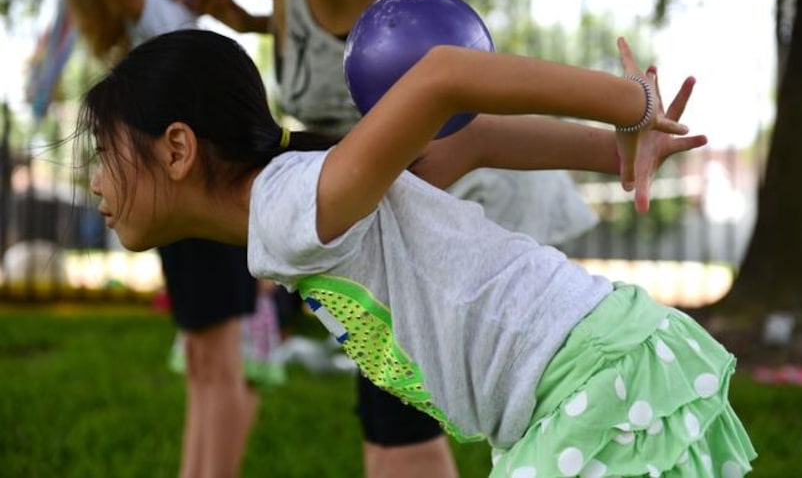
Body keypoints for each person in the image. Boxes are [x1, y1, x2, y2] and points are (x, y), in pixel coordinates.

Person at [78, 28, 756, 477]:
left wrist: (629, 104)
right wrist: (613, 152)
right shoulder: (309, 192)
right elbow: (477, 140)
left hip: (590, 382)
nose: (94, 184)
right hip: (594, 368)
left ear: (176, 148)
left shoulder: (286, 207)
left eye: (102, 157)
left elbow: (444, 76)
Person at [159, 0, 598, 474]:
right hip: (413, 205)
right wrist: (246, 18)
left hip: (471, 186)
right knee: (393, 412)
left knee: (402, 419)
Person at [158, 0, 461, 475]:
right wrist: (248, 20)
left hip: (447, 196)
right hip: (385, 217)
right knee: (389, 423)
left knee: (399, 431)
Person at [66, 0, 281, 478]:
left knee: (218, 362)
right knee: (206, 362)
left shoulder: (160, 34)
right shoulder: (158, 27)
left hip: (197, 203)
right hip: (185, 206)